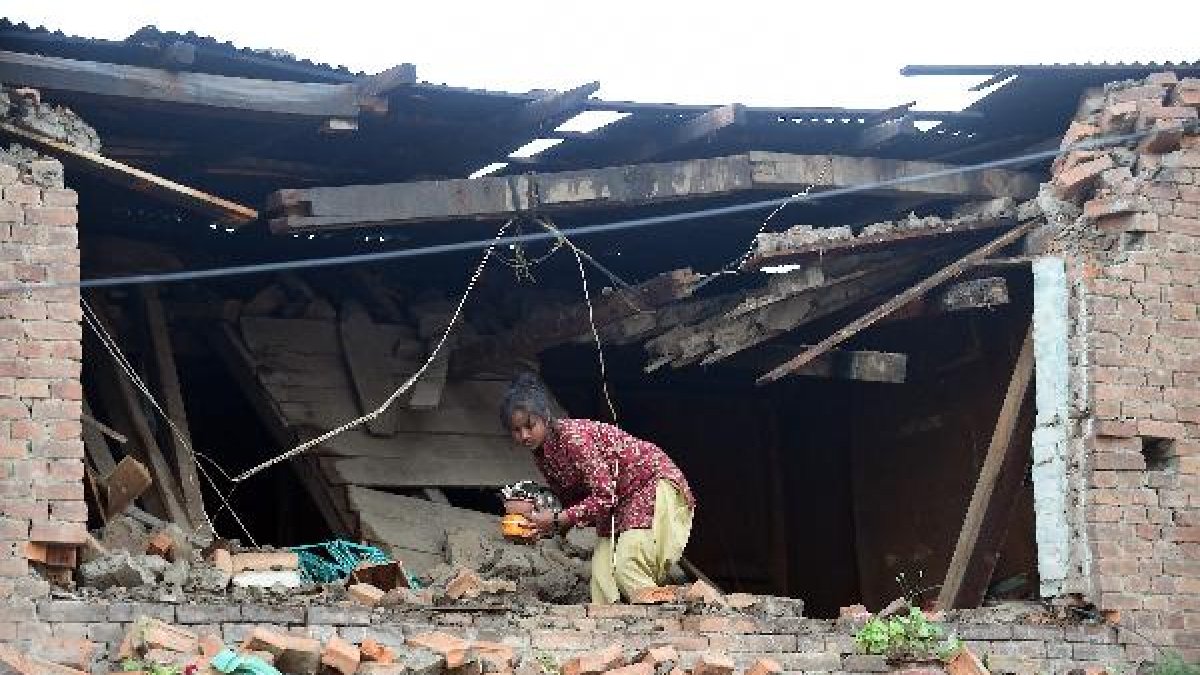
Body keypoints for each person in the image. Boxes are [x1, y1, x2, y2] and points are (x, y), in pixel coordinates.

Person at [501, 373, 696, 604]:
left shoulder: (573, 439)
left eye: (529, 426)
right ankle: (612, 634)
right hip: (616, 503)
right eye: (516, 430)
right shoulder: (542, 454)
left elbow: (604, 496)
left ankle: (665, 627)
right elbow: (576, 502)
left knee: (628, 565)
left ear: (545, 417)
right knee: (603, 581)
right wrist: (541, 525)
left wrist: (556, 519)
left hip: (648, 483)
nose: (524, 435)